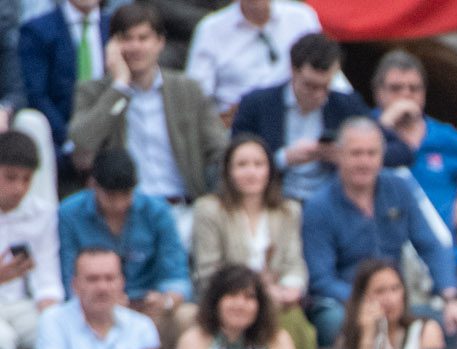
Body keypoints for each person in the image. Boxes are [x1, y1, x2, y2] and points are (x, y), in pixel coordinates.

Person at [302, 118, 457, 348]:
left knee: (451, 322)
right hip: (346, 302)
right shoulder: (319, 207)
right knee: (333, 321)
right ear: (339, 155)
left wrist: (450, 296)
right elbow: (321, 279)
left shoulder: (400, 187)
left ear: (382, 156)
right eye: (356, 153)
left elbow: (431, 244)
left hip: (397, 299)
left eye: (371, 153)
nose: (364, 162)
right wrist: (368, 299)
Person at [68, 3, 227, 214]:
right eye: (126, 38)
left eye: (143, 38)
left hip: (182, 207)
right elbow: (81, 140)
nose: (135, 47)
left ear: (160, 42)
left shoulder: (187, 89)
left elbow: (219, 149)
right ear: (112, 45)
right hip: (122, 212)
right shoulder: (94, 91)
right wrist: (119, 87)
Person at [230, 33, 407, 205]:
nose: (318, 94)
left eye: (325, 86)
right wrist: (284, 158)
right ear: (293, 70)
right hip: (272, 201)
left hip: (333, 204)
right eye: (310, 86)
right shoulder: (257, 104)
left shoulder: (346, 105)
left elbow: (400, 150)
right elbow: (233, 158)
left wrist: (348, 157)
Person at [371, 51, 457, 273]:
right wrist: (385, 125)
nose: (406, 95)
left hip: (439, 255)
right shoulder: (365, 130)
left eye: (414, 88)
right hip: (383, 257)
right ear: (378, 92)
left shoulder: (443, 136)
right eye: (396, 88)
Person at [189, 135, 310, 349]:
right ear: (228, 172)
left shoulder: (288, 211)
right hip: (227, 301)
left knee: (293, 322)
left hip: (278, 301)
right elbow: (208, 271)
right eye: (242, 165)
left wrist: (289, 289)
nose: (251, 172)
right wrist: (259, 291)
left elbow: (294, 264)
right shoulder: (209, 210)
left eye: (258, 164)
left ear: (269, 170)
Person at [58, 148, 194, 345]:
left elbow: (176, 275)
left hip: (149, 306)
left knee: (187, 315)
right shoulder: (69, 214)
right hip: (93, 305)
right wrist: (105, 301)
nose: (119, 204)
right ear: (93, 185)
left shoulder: (158, 212)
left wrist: (166, 300)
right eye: (111, 196)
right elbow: (69, 278)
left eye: (126, 194)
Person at [186, 0, 325, 120]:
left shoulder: (301, 17)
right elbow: (197, 96)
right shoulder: (210, 29)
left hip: (295, 118)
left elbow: (326, 71)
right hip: (236, 123)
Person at [19, 0, 111, 180]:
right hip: (60, 145)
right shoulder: (38, 30)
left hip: (109, 144)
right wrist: (72, 141)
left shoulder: (116, 28)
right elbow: (37, 95)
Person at [0, 131, 62, 349]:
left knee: (55, 333)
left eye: (26, 179)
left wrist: (50, 307)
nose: (19, 188)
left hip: (24, 305)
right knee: (3, 340)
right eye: (10, 177)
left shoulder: (43, 214)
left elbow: (48, 273)